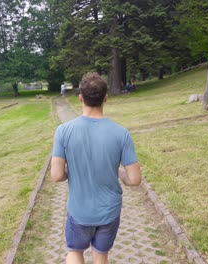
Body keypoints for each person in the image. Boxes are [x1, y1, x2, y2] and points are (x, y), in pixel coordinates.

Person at [51, 72, 142, 264]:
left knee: (75, 252)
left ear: (80, 98)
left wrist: (72, 171)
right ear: (105, 98)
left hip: (79, 211)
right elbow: (134, 180)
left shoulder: (63, 131)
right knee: (100, 256)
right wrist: (117, 171)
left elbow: (57, 175)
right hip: (109, 211)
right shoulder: (122, 134)